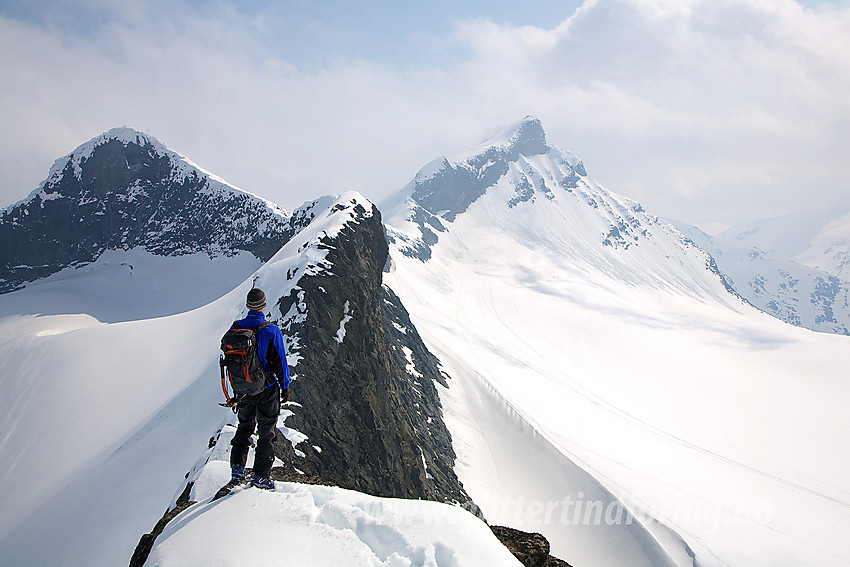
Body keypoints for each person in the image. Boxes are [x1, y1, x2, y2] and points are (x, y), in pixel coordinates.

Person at [229, 288, 290, 490]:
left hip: (243, 389)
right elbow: (281, 362)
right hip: (266, 389)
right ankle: (260, 476)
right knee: (266, 431)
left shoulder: (235, 328)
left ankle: (237, 470)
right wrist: (285, 386)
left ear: (248, 306)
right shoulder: (270, 330)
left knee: (244, 427)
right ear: (264, 305)